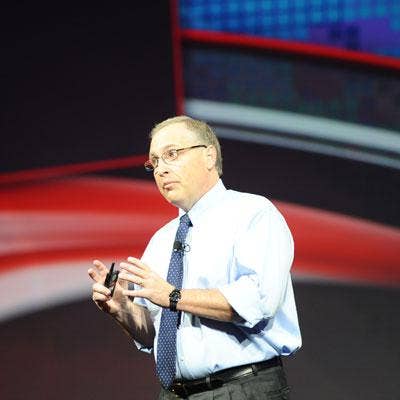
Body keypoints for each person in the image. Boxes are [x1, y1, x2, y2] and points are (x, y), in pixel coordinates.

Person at [88, 116, 301, 399]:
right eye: (154, 162)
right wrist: (122, 310)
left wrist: (173, 296)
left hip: (242, 388)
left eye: (172, 154)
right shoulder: (161, 239)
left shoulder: (253, 214)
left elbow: (258, 299)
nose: (161, 169)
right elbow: (154, 334)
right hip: (174, 394)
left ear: (209, 156)